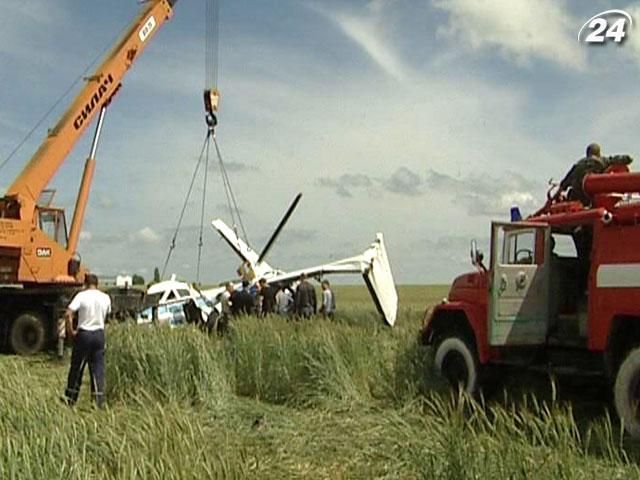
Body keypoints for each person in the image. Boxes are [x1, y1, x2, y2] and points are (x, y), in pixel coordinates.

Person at [62, 273, 111, 408]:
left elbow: (68, 313)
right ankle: (98, 402)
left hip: (84, 334)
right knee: (98, 369)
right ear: (97, 284)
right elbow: (107, 315)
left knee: (77, 368)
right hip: (99, 334)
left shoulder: (81, 296)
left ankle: (71, 399)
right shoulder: (105, 297)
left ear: (85, 284)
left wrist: (71, 331)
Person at [559, 143, 633, 206]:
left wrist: (561, 189)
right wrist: (627, 159)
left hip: (579, 198)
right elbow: (617, 159)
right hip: (594, 197)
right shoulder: (601, 161)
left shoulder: (578, 165)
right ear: (598, 153)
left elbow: (564, 183)